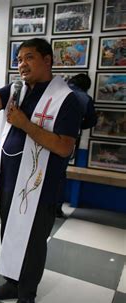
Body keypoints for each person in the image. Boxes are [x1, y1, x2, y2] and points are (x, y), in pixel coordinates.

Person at [0, 38, 81, 303]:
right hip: (10, 177)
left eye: (29, 58)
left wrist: (24, 124)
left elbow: (63, 147)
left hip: (41, 184)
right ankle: (12, 282)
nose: (22, 64)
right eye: (19, 59)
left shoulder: (68, 99)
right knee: (10, 230)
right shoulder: (16, 90)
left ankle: (27, 295)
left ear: (48, 60)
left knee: (33, 239)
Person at [56, 73, 97, 217]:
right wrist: (77, 126)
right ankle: (56, 208)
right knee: (59, 174)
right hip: (66, 141)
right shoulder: (85, 99)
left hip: (43, 136)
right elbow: (92, 121)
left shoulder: (57, 90)